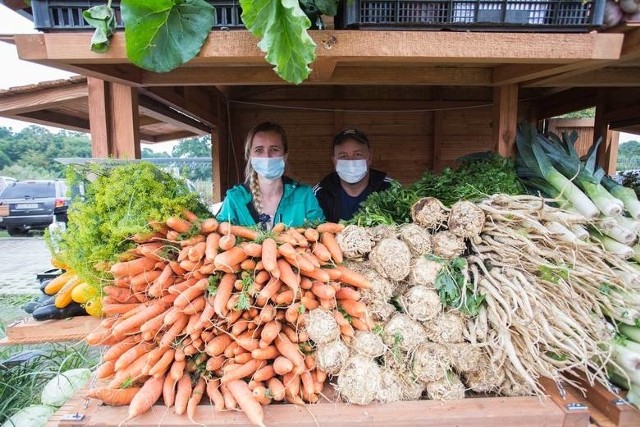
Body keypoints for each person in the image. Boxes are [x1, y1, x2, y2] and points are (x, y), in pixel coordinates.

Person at [216, 122, 324, 229]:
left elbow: (320, 233)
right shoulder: (235, 198)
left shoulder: (304, 196)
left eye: (274, 149)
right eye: (259, 150)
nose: (267, 156)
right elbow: (220, 235)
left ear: (285, 155)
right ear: (250, 156)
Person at [313, 128, 394, 223]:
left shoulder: (389, 188)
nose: (350, 161)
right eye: (343, 156)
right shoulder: (320, 193)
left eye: (358, 154)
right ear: (334, 161)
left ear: (369, 158)